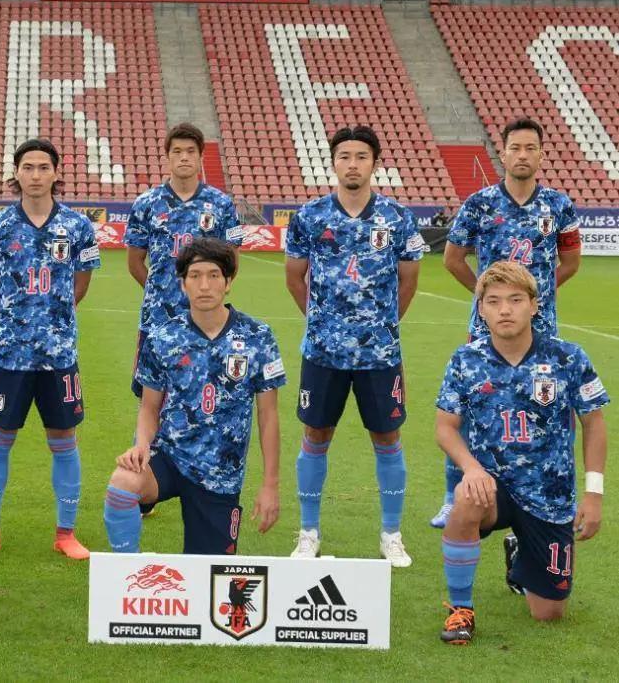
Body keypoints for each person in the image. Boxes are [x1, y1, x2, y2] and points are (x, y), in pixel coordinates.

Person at [436, 261, 607, 645]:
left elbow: (594, 424)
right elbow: (445, 428)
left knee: (548, 613)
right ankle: (461, 609)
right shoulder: (465, 360)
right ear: (481, 309)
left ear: (534, 305)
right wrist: (471, 469)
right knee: (465, 498)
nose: (505, 310)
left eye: (515, 300)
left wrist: (593, 494)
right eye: (494, 301)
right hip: (491, 486)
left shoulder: (568, 357)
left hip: (549, 494)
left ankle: (520, 552)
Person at [284, 125, 425, 567]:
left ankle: (391, 534)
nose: (352, 164)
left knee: (387, 436)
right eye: (344, 156)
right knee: (315, 434)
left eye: (361, 156)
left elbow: (409, 281)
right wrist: (321, 323)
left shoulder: (398, 218)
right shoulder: (309, 216)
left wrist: (381, 327)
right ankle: (308, 533)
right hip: (322, 353)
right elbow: (294, 277)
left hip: (379, 354)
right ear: (333, 163)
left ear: (374, 163)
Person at [432, 117, 582, 533]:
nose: (522, 155)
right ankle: (453, 496)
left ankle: (547, 497)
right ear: (503, 152)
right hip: (486, 332)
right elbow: (453, 259)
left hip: (542, 331)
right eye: (515, 147)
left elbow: (571, 261)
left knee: (547, 412)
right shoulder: (479, 204)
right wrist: (487, 298)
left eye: (530, 148)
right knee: (466, 411)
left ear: (541, 154)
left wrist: (535, 298)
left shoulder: (559, 206)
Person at [0, 139, 100, 561]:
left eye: (43, 167)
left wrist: (53, 321)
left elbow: (81, 283)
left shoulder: (78, 227)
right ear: (16, 173)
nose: (35, 175)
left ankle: (66, 533)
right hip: (10, 356)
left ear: (56, 173)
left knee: (64, 439)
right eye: (28, 167)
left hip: (60, 357)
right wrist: (16, 323)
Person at [104, 238, 282, 553]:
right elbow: (149, 408)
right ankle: (128, 571)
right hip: (170, 458)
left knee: (211, 573)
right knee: (123, 482)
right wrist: (141, 445)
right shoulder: (163, 337)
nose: (204, 285)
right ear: (183, 283)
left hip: (220, 475)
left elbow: (268, 416)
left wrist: (270, 485)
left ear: (228, 282)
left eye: (214, 275)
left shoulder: (258, 337)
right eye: (195, 276)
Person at [124, 123, 242, 399]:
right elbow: (134, 262)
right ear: (168, 157)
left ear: (200, 156)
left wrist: (211, 293)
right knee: (152, 398)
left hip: (207, 317)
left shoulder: (222, 204)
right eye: (177, 151)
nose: (184, 157)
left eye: (190, 151)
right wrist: (159, 291)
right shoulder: (146, 203)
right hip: (157, 318)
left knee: (203, 393)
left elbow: (232, 259)